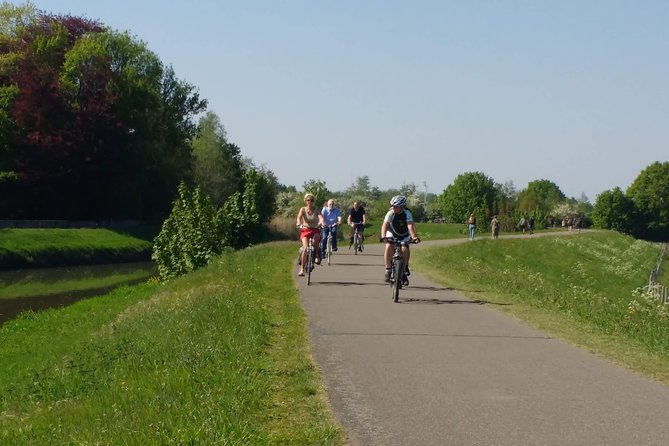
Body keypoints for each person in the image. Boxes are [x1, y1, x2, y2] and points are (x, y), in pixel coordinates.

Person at [381, 195, 420, 284]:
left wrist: (414, 237)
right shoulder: (390, 213)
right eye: (392, 206)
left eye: (395, 206)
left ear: (402, 206)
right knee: (388, 246)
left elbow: (410, 226)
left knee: (404, 248)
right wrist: (383, 236)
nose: (393, 208)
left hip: (404, 234)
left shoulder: (407, 213)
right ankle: (388, 269)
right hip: (392, 232)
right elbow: (385, 225)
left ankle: (404, 268)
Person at [296, 193, 325, 276]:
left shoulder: (316, 209)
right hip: (305, 229)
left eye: (312, 200)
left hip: (315, 229)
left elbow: (321, 217)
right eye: (308, 200)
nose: (310, 202)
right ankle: (302, 270)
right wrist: (298, 223)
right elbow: (299, 218)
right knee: (305, 248)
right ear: (305, 201)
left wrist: (322, 223)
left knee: (315, 240)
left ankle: (316, 255)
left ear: (313, 201)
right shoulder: (303, 209)